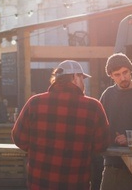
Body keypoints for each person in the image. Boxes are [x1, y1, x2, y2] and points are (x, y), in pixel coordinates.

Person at [12, 60, 110, 189]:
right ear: (75, 77)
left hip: (39, 183)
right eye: (82, 78)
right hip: (75, 184)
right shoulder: (93, 107)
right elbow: (101, 145)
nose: (84, 83)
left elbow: (19, 139)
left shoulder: (34, 103)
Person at [98, 53, 132, 190]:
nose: (123, 77)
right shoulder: (107, 95)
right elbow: (100, 126)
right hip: (113, 163)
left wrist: (131, 139)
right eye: (117, 74)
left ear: (131, 70)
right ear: (111, 76)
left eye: (125, 72)